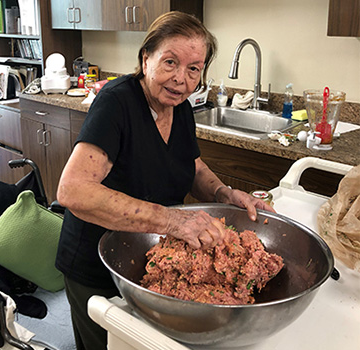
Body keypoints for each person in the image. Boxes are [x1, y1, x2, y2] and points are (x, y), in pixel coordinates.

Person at [55, 12, 275, 350]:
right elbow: (73, 191)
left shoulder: (181, 107)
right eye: (170, 62)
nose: (181, 79)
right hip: (97, 265)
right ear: (146, 60)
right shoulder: (116, 103)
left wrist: (224, 193)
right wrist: (173, 220)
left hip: (150, 263)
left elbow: (193, 166)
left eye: (193, 69)